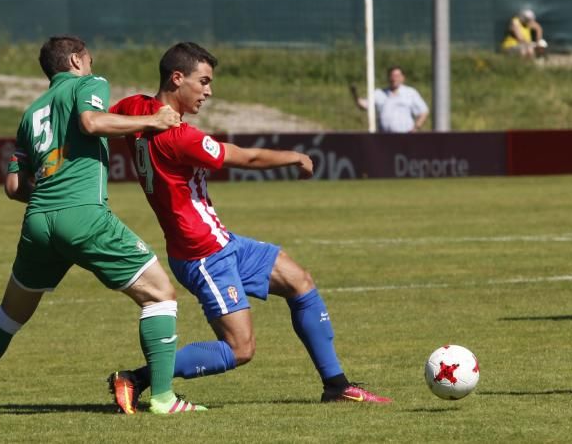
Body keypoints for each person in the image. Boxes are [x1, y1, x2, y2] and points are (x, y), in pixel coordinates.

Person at [106, 42, 390, 414]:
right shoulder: (180, 138)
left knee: (298, 280)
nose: (208, 91)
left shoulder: (134, 108)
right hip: (202, 254)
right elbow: (248, 157)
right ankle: (137, 378)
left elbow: (101, 121)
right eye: (203, 82)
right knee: (241, 349)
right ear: (177, 78)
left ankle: (336, 386)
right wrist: (297, 157)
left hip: (222, 242)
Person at [0, 35, 205, 415]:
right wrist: (153, 119)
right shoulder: (91, 84)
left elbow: (13, 186)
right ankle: (164, 398)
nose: (92, 66)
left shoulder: (30, 112)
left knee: (9, 313)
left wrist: (50, 199)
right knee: (160, 295)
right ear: (75, 60)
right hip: (83, 215)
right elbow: (91, 122)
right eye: (89, 60)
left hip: (38, 221)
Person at [350, 66, 429, 133]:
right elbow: (364, 105)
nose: (394, 79)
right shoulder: (379, 93)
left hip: (405, 136)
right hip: (384, 137)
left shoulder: (410, 92)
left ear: (403, 78)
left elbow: (423, 111)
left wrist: (415, 128)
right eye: (392, 76)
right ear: (388, 77)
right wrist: (355, 94)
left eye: (397, 76)